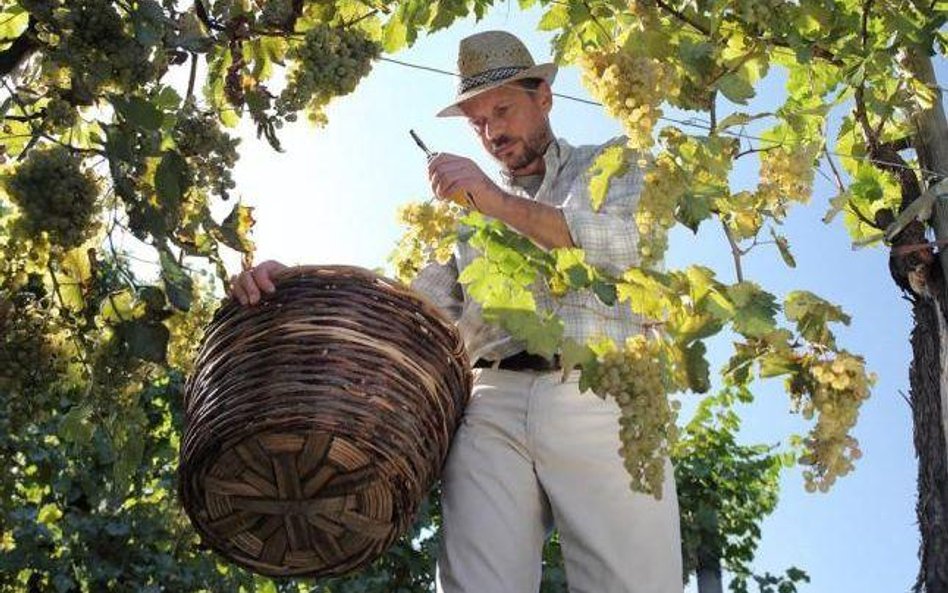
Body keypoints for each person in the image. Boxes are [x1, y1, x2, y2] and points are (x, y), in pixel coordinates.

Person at [229, 30, 682, 593]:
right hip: (490, 402)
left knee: (633, 584)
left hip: (600, 389)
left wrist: (493, 203)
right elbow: (407, 312)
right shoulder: (470, 223)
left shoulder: (612, 165)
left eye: (502, 109)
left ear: (543, 96)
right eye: (476, 121)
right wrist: (292, 283)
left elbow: (623, 246)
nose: (491, 132)